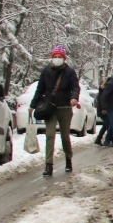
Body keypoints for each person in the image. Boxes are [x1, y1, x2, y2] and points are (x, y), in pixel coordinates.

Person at [30, 45, 79, 175]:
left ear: (64, 58)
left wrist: (74, 98)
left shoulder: (70, 72)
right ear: (52, 58)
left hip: (65, 108)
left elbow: (75, 87)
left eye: (60, 57)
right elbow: (40, 89)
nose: (57, 59)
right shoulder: (46, 71)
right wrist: (32, 105)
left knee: (65, 136)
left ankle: (68, 159)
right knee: (50, 135)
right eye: (55, 56)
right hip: (50, 108)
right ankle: (48, 165)